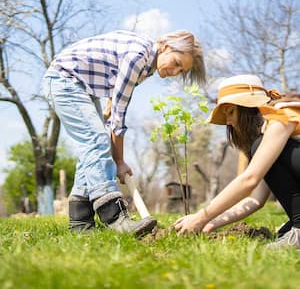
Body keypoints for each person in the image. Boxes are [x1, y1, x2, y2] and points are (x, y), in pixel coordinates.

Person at [42, 29, 206, 235]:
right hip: (65, 80)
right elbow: (118, 119)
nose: (175, 72)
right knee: (97, 142)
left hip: (83, 86)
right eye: (176, 63)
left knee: (91, 152)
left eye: (181, 71)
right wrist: (119, 162)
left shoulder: (148, 64)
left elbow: (117, 89)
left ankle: (80, 222)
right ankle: (115, 216)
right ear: (165, 46)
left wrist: (110, 102)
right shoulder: (139, 56)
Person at [173, 74, 300, 249]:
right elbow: (256, 199)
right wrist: (210, 222)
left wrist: (200, 216)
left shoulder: (281, 119)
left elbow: (249, 179)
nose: (228, 121)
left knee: (257, 147)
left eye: (231, 111)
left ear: (249, 107)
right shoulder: (270, 135)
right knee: (281, 234)